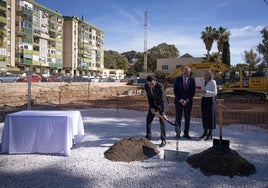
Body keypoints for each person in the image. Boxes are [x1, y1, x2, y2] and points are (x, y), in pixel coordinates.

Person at [145, 75, 169, 147]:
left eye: (152, 83)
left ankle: (163, 139)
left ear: (155, 81)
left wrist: (163, 113)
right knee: (148, 119)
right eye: (149, 84)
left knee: (162, 121)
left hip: (162, 104)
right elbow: (149, 98)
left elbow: (162, 99)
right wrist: (151, 107)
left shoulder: (160, 86)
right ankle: (148, 136)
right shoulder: (146, 86)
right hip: (153, 104)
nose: (150, 85)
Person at [173, 66, 196, 139]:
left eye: (187, 72)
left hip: (188, 103)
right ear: (182, 72)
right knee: (178, 118)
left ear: (189, 73)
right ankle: (178, 133)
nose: (186, 73)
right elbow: (175, 91)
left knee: (187, 118)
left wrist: (187, 100)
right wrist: (181, 100)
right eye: (185, 72)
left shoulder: (192, 80)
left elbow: (193, 93)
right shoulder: (177, 79)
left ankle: (186, 133)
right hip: (179, 102)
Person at [199, 71, 217, 140]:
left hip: (210, 100)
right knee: (204, 116)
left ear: (209, 76)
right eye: (204, 74)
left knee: (210, 116)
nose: (205, 76)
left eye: (206, 75)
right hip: (204, 100)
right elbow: (201, 90)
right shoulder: (203, 82)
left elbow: (215, 93)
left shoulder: (213, 82)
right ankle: (205, 132)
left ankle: (210, 134)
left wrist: (207, 92)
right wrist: (201, 92)